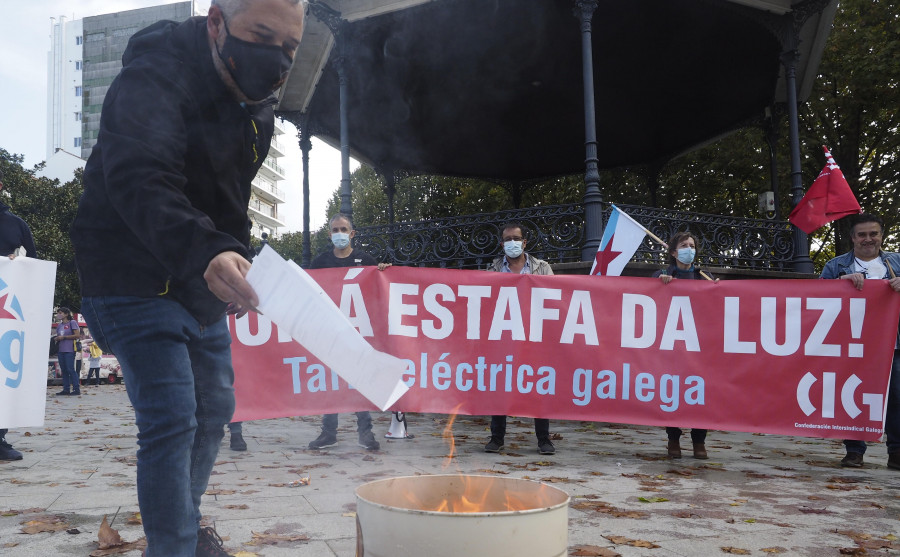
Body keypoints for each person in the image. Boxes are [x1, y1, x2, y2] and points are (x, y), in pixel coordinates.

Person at [69, 1, 307, 555]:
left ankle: (183, 528)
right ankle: (173, 547)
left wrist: (235, 256)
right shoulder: (154, 74)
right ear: (218, 24)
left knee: (215, 408)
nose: (273, 60)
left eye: (288, 49)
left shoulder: (259, 109)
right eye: (261, 35)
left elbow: (232, 203)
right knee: (173, 415)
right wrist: (206, 250)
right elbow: (140, 176)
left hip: (196, 281)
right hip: (128, 273)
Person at [820, 213, 900, 471]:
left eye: (873, 233)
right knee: (851, 395)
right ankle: (854, 451)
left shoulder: (897, 262)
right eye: (862, 234)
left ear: (881, 235)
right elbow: (815, 299)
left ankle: (896, 452)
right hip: (852, 345)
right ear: (853, 237)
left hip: (894, 345)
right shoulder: (836, 266)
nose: (868, 239)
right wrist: (837, 286)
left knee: (897, 398)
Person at [307, 213, 390, 451]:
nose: (339, 234)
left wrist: (383, 271)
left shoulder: (365, 260)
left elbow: (379, 289)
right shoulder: (320, 262)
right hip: (330, 331)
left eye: (344, 229)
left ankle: (366, 433)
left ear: (352, 234)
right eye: (335, 230)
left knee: (359, 380)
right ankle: (328, 432)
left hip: (358, 332)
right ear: (329, 234)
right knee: (331, 381)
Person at [484, 222, 556, 455]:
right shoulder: (493, 269)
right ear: (501, 243)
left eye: (516, 238)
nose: (511, 243)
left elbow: (556, 298)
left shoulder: (542, 268)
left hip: (535, 337)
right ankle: (496, 438)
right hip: (504, 336)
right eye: (507, 239)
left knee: (539, 385)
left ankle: (544, 439)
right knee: (500, 385)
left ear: (524, 242)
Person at [653, 231, 712, 459]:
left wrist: (717, 289)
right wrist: (661, 285)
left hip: (699, 348)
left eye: (692, 245)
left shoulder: (703, 276)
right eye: (684, 245)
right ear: (674, 252)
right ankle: (673, 439)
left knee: (699, 394)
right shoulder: (663, 274)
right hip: (673, 347)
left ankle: (699, 442)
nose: (689, 249)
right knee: (674, 393)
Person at [0, 168, 35, 462]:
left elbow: (33, 262)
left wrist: (18, 261)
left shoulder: (15, 225)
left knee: (4, 373)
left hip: (6, 314)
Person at [54, 308, 81, 397]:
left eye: (60, 313)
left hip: (69, 349)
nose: (58, 315)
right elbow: (58, 335)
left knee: (70, 369)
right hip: (61, 350)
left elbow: (77, 335)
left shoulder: (72, 323)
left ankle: (76, 389)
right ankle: (66, 389)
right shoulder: (59, 325)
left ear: (66, 314)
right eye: (58, 313)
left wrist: (64, 337)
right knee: (64, 370)